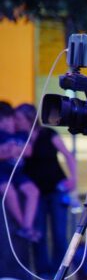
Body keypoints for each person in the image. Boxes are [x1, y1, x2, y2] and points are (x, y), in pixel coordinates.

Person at [14, 103, 77, 273]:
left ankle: (59, 271)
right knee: (39, 232)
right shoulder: (19, 138)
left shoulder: (48, 134)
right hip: (36, 192)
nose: (16, 121)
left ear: (29, 118)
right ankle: (42, 271)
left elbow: (68, 155)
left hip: (56, 188)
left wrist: (73, 178)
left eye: (19, 118)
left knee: (59, 232)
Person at [0, 102, 40, 242]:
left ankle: (27, 225)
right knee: (8, 191)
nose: (7, 124)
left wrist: (11, 150)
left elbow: (28, 151)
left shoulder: (21, 134)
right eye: (3, 122)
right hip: (2, 174)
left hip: (18, 174)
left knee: (33, 191)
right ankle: (24, 225)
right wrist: (11, 151)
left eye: (8, 120)